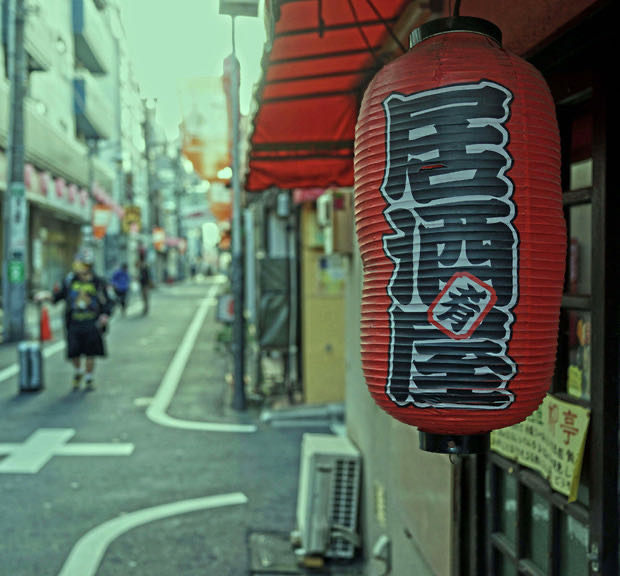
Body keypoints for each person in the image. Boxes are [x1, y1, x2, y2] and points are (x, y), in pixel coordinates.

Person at [51, 249, 112, 391]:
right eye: (77, 265)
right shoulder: (70, 281)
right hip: (74, 323)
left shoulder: (98, 282)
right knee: (74, 352)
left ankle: (89, 377)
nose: (79, 268)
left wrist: (105, 315)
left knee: (91, 352)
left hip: (92, 323)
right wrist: (47, 296)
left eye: (82, 265)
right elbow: (58, 296)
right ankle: (78, 372)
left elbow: (109, 302)